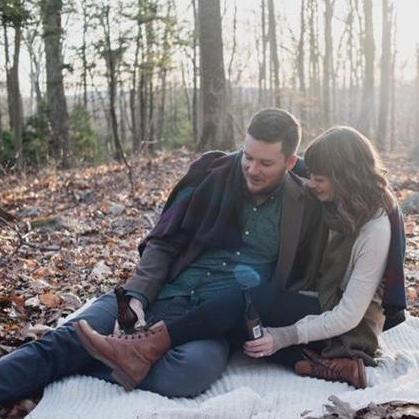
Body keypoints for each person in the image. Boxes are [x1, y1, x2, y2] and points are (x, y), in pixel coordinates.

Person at [0, 108, 322, 405]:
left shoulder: (304, 203)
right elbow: (165, 242)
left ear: (290, 162)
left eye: (266, 163)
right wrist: (138, 296)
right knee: (68, 337)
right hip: (165, 289)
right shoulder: (213, 175)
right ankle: (84, 354)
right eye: (248, 157)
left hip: (211, 319)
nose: (252, 169)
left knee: (189, 372)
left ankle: (90, 358)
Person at [75, 125, 406, 390]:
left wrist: (284, 336)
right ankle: (320, 366)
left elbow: (348, 315)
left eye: (318, 179)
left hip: (350, 322)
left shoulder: (375, 227)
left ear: (345, 177)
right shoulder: (340, 202)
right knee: (246, 319)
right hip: (321, 298)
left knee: (242, 307)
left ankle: (144, 348)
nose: (310, 184)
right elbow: (293, 173)